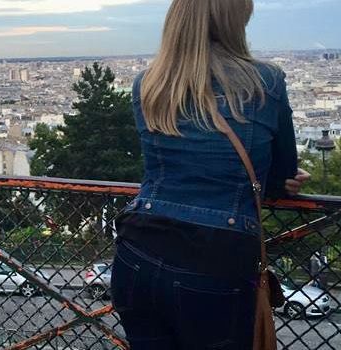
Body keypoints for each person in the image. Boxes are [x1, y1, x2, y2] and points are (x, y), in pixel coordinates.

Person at [110, 0, 311, 349]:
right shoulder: (266, 80)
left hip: (136, 251)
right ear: (236, 20)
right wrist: (283, 180)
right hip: (216, 260)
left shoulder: (148, 83)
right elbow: (281, 172)